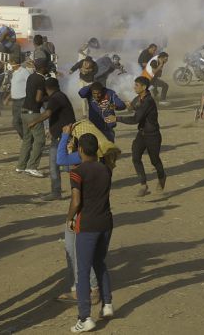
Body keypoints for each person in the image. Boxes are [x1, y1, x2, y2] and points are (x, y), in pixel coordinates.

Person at [66, 133, 114, 333]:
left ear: (80, 150)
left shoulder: (77, 172)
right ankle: (107, 304)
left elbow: (76, 201)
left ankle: (84, 317)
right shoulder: (106, 169)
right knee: (99, 263)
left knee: (83, 271)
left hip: (87, 225)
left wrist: (69, 218)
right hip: (106, 222)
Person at [26, 78, 76, 201]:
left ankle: (58, 192)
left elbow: (48, 113)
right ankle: (71, 190)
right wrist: (52, 131)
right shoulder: (60, 96)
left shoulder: (55, 98)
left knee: (57, 165)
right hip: (62, 135)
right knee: (66, 165)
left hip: (63, 136)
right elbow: (60, 116)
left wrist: (34, 122)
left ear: (46, 89)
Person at [118, 76, 166, 196]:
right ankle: (143, 185)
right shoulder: (139, 98)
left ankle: (162, 177)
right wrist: (128, 106)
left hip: (153, 135)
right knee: (135, 157)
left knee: (154, 161)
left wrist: (118, 118)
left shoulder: (148, 101)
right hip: (142, 134)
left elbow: (135, 119)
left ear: (144, 87)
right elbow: (133, 107)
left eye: (137, 85)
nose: (134, 87)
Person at [15, 59, 48, 178]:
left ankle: (21, 166)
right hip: (33, 114)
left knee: (27, 140)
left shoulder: (31, 77)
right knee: (40, 140)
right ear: (43, 68)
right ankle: (32, 167)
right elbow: (38, 99)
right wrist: (50, 96)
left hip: (24, 112)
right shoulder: (41, 79)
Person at [4, 58, 31, 139]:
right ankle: (26, 139)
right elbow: (14, 87)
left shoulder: (24, 72)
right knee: (16, 122)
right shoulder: (14, 73)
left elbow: (30, 84)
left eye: (10, 63)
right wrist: (8, 98)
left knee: (19, 122)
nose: (9, 65)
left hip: (23, 100)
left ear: (15, 63)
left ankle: (27, 140)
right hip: (15, 102)